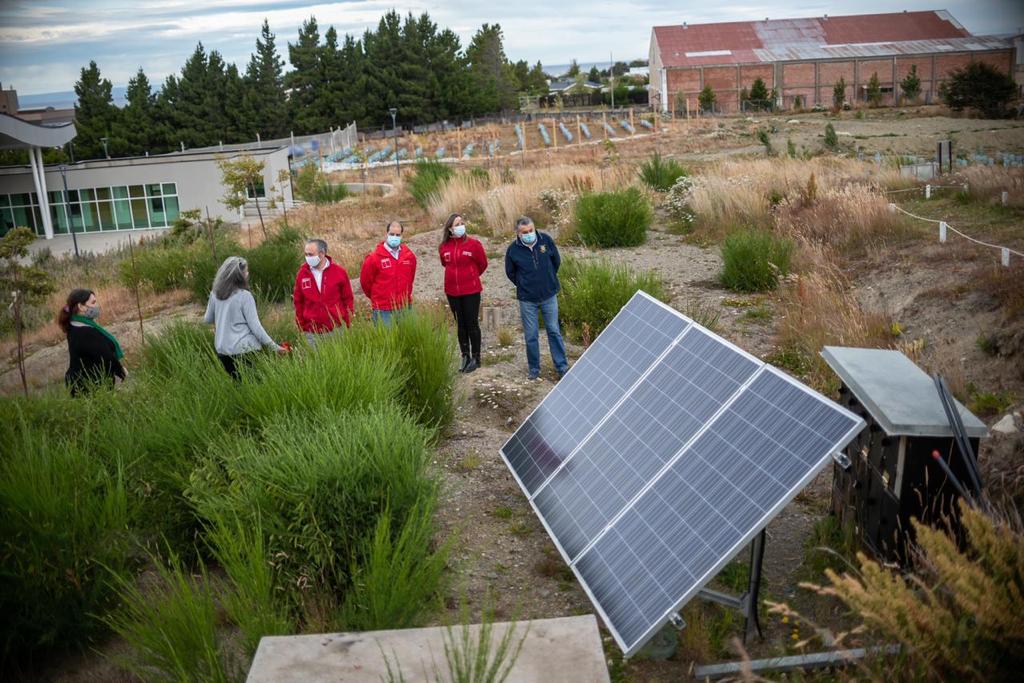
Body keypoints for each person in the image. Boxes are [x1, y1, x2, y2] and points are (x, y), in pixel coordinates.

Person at [504, 216, 568, 380]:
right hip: (527, 300)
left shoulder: (545, 240)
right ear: (518, 233)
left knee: (553, 331)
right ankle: (534, 369)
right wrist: (524, 284)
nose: (529, 234)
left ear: (534, 228)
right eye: (525, 232)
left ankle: (561, 366)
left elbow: (556, 262)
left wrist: (548, 279)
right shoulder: (513, 250)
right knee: (531, 335)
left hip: (549, 295)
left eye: (531, 230)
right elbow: (510, 273)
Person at [204, 256, 286, 379]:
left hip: (223, 351)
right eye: (246, 271)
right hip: (245, 350)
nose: (247, 274)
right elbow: (255, 327)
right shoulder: (244, 296)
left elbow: (207, 319)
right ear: (239, 275)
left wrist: (223, 318)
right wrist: (275, 347)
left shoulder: (215, 294)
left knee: (238, 386)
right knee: (255, 387)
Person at [439, 212, 488, 373]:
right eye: (456, 224)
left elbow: (482, 264)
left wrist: (471, 277)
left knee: (472, 323)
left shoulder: (474, 244)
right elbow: (444, 264)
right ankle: (465, 355)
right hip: (452, 292)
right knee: (460, 324)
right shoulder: (444, 247)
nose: (460, 226)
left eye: (462, 223)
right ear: (450, 229)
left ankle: (476, 357)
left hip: (471, 291)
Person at [59, 288, 126, 395]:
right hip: (90, 387)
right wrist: (121, 372)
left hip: (80, 384)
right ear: (81, 306)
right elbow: (106, 357)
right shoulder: (86, 331)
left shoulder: (74, 324)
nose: (97, 305)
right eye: (93, 302)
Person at [293, 238, 355, 346]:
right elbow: (298, 301)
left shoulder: (339, 272)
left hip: (336, 329)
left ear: (322, 254)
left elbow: (348, 298)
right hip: (312, 332)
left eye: (310, 254)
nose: (307, 258)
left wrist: (347, 320)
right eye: (306, 254)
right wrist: (302, 325)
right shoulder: (302, 274)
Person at [360, 220, 417, 325]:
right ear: (386, 234)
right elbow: (366, 283)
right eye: (392, 234)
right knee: (387, 340)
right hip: (383, 309)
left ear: (402, 236)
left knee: (407, 339)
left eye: (397, 235)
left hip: (404, 306)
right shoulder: (373, 258)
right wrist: (379, 298)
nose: (394, 237)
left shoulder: (409, 256)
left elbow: (410, 279)